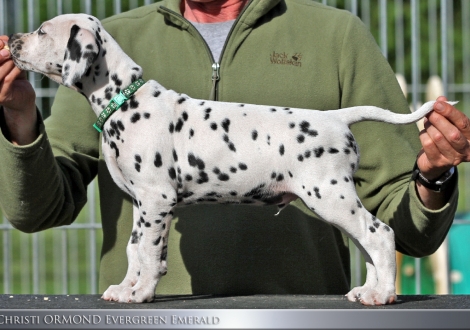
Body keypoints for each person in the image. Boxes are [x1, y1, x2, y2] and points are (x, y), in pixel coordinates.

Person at [0, 0, 468, 296]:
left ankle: (379, 274)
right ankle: (139, 279)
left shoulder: (336, 37)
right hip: (155, 321)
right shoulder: (111, 51)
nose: (30, 41)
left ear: (83, 55)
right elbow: (39, 209)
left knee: (341, 209)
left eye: (42, 35)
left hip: (306, 315)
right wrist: (20, 119)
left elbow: (404, 216)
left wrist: (434, 174)